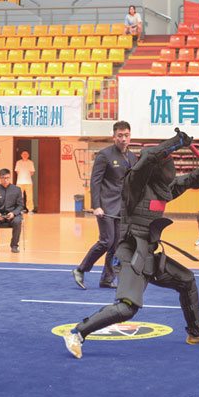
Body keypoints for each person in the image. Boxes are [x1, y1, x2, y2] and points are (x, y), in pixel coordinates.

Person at [62, 130, 199, 359]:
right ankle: (77, 334)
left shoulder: (164, 190)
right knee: (126, 309)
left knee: (187, 281)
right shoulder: (134, 185)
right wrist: (176, 143)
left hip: (149, 254)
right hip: (131, 254)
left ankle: (196, 333)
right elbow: (149, 156)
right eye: (167, 163)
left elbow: (191, 179)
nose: (171, 169)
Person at [72, 121, 137, 290]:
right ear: (114, 137)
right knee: (106, 241)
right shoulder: (104, 155)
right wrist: (96, 206)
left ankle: (107, 278)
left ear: (130, 136)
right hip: (105, 207)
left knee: (116, 245)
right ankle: (80, 269)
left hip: (122, 207)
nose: (123, 139)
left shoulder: (132, 157)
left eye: (126, 135)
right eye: (120, 136)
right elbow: (95, 181)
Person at [0, 168, 23, 253]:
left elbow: (20, 205)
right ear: (0, 178)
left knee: (18, 221)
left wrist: (13, 213)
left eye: (7, 178)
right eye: (3, 178)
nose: (5, 180)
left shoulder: (17, 189)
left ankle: (14, 246)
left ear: (10, 177)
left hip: (12, 215)